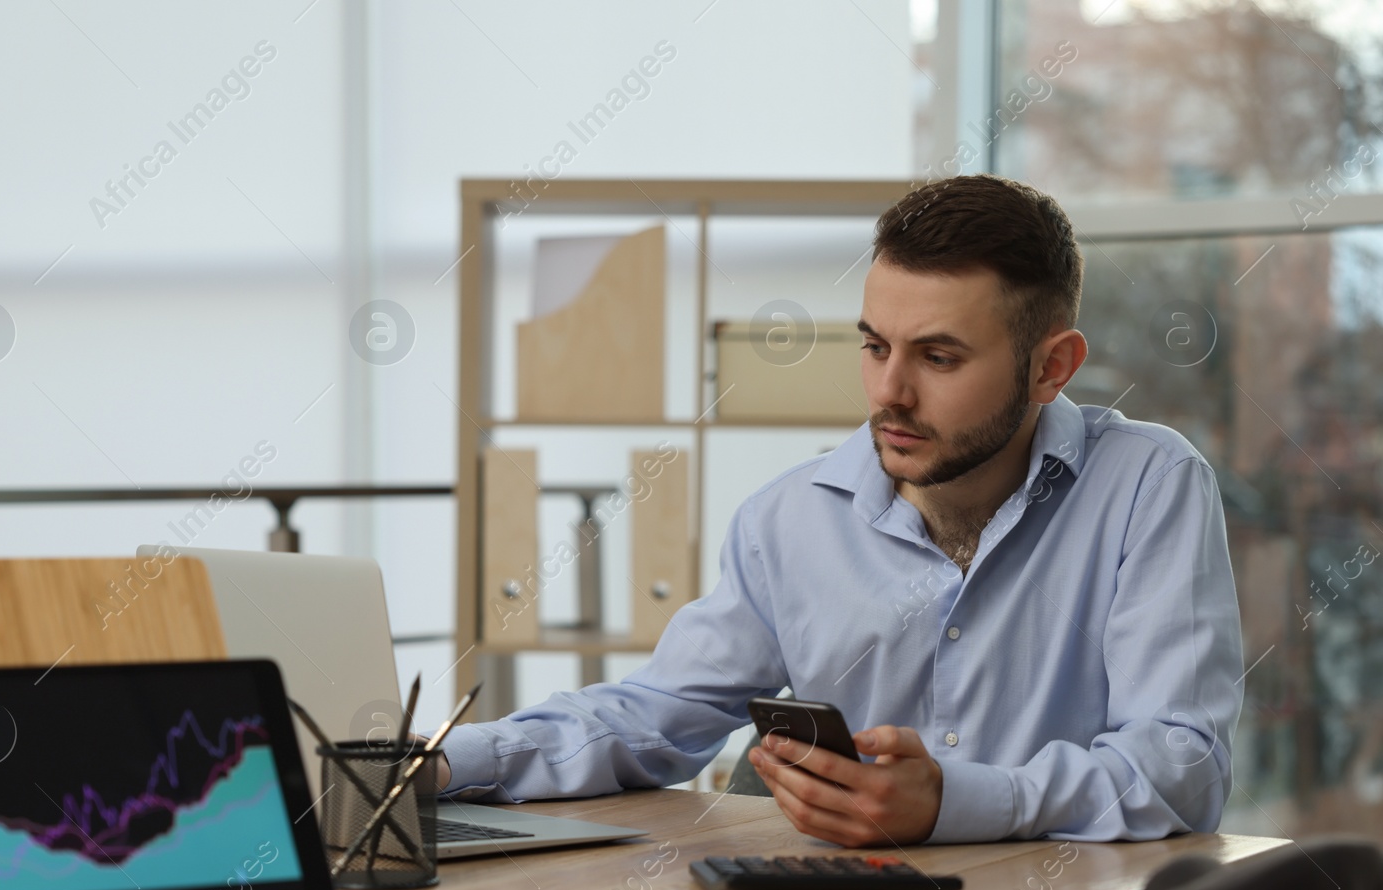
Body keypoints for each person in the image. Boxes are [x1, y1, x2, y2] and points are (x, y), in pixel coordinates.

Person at [435, 174, 1244, 846]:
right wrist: (436, 762)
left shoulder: (1149, 484)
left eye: (938, 356)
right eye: (874, 345)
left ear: (1052, 368)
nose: (889, 391)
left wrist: (953, 802)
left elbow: (1181, 767)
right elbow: (654, 717)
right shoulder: (785, 521)